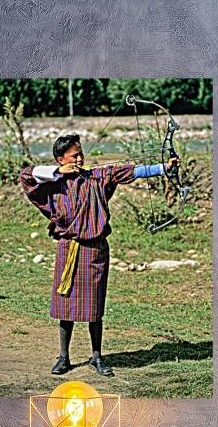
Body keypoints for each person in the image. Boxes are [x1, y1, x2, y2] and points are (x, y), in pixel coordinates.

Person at [19, 133, 177, 377]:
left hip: (95, 250)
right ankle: (63, 357)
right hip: (68, 248)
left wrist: (162, 168)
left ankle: (96, 357)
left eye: (81, 153)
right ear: (61, 159)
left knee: (94, 307)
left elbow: (127, 171)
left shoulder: (97, 177)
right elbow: (26, 176)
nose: (80, 158)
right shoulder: (53, 184)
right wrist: (58, 171)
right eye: (74, 155)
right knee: (65, 306)